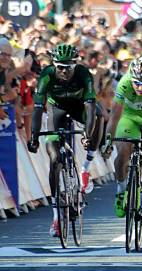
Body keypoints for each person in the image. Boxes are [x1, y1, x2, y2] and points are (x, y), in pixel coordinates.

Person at [28, 44, 104, 238]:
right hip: (57, 110)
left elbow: (89, 108)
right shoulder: (46, 75)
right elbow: (37, 109)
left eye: (67, 67)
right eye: (59, 67)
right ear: (54, 65)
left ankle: (86, 166)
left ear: (75, 65)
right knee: (54, 159)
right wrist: (34, 136)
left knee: (98, 115)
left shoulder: (83, 74)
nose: (63, 71)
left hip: (79, 107)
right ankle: (55, 217)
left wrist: (87, 136)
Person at [102, 55, 142, 225]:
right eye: (136, 83)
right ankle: (121, 191)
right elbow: (114, 116)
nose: (140, 88)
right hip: (130, 119)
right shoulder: (125, 83)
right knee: (123, 151)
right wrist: (108, 140)